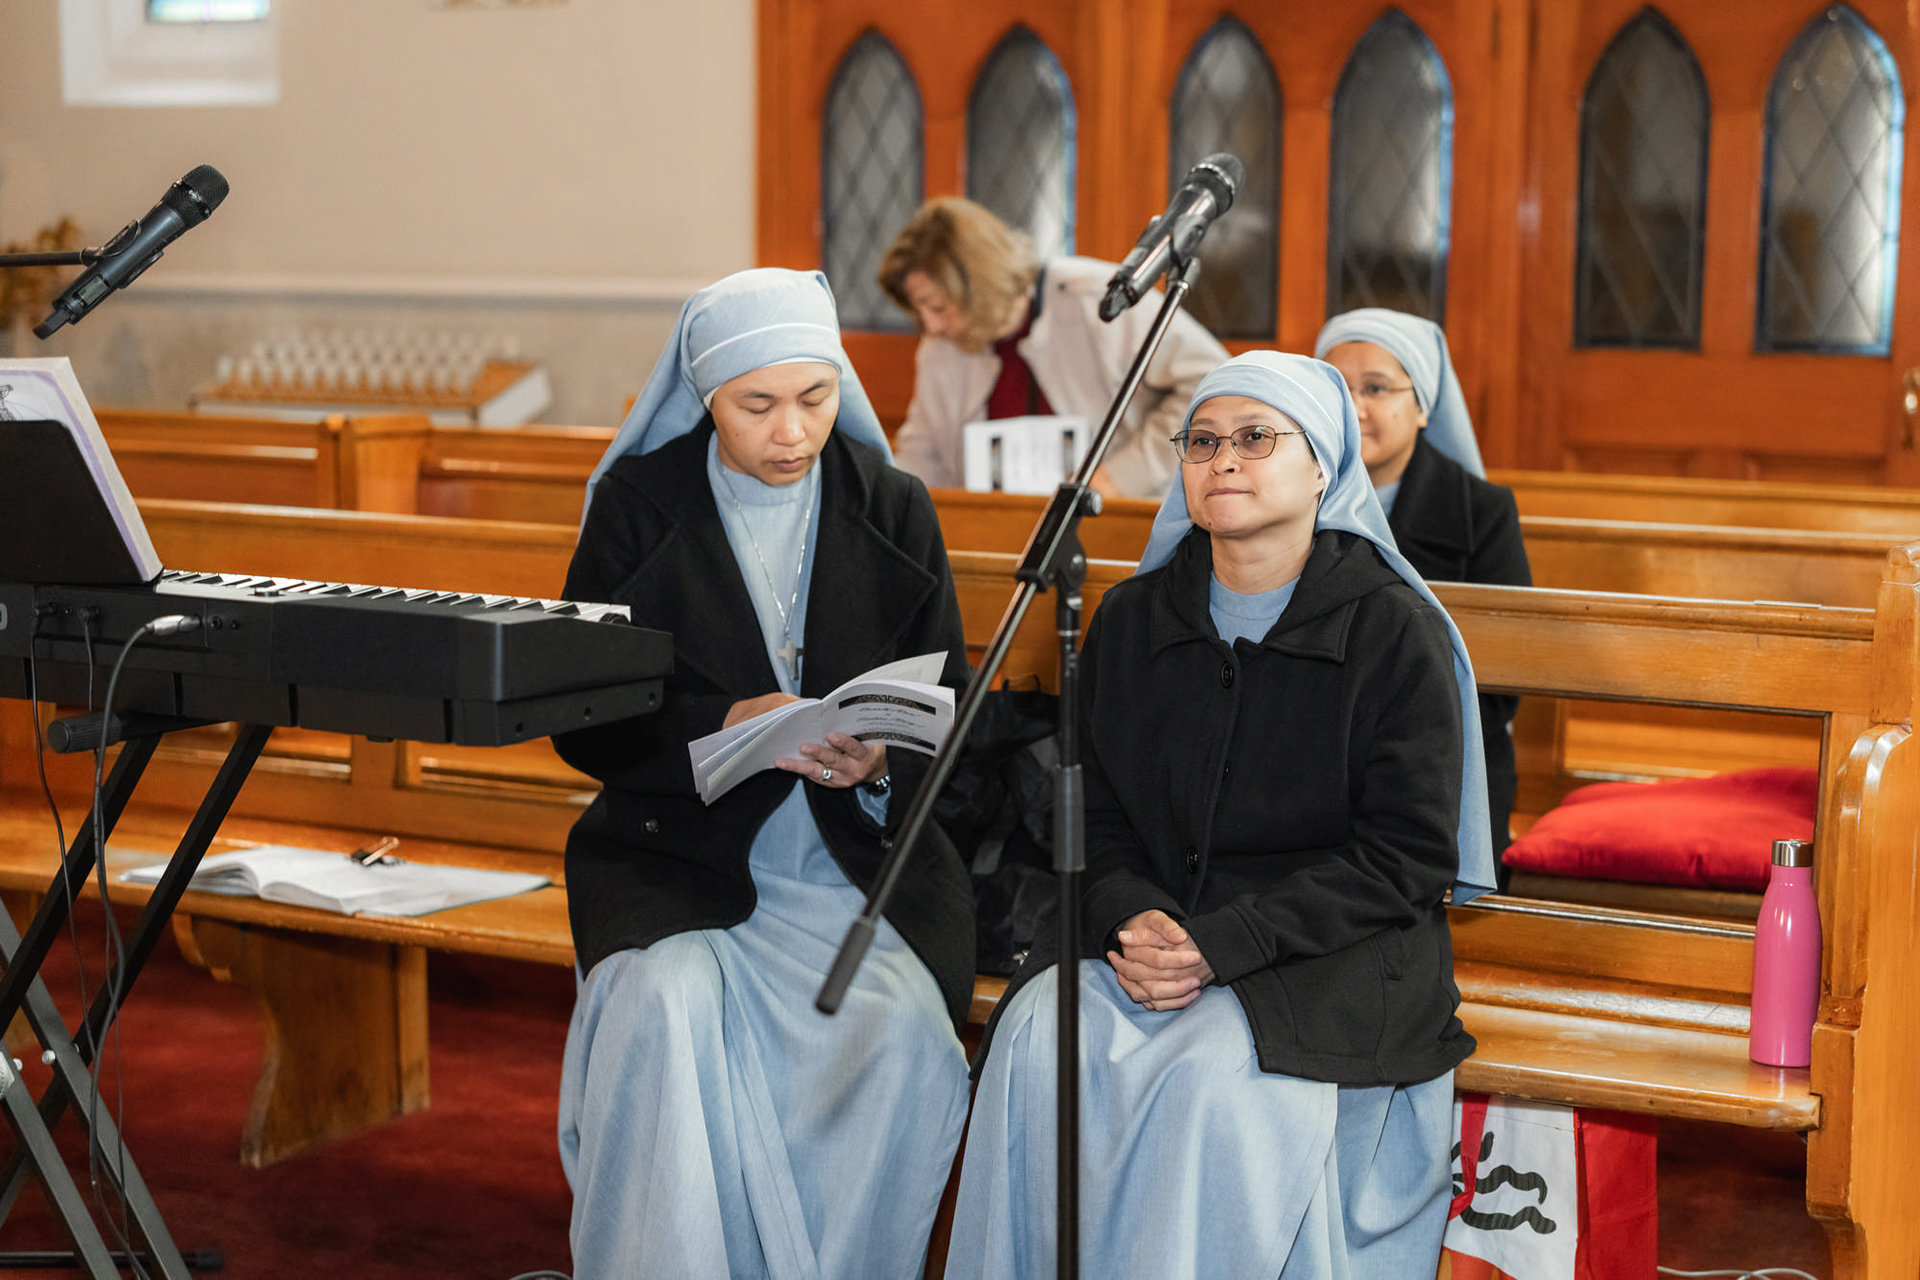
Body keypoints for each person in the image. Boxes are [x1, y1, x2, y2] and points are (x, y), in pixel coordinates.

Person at [944, 350, 1498, 1279]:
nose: (1223, 460)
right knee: (1040, 1032)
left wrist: (1224, 943)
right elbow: (1092, 809)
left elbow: (1404, 857)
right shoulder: (1130, 619)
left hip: (1328, 948)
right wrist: (1127, 913)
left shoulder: (1391, 629)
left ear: (1322, 466)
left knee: (1207, 1075)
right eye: (1201, 442)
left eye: (1254, 438)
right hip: (1153, 932)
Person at [553, 268, 975, 1279]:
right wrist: (719, 725)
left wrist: (880, 759)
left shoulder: (893, 505)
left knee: (904, 1034)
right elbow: (580, 717)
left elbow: (953, 708)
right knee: (664, 1008)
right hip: (676, 860)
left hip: (858, 867)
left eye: (816, 398)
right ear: (706, 396)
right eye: (758, 405)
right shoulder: (637, 507)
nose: (792, 431)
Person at [1316, 307, 1531, 861]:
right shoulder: (1289, 495)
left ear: (1421, 407)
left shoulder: (1481, 512)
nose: (1354, 408)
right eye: (1338, 387)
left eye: (1376, 388)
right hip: (1306, 757)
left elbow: (1500, 680)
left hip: (1444, 763)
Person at [877, 196, 1230, 501]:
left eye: (938, 307)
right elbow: (922, 455)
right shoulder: (939, 346)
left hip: (1115, 522)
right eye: (919, 311)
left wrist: (1123, 477)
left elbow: (1215, 381)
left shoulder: (1096, 299)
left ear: (982, 284)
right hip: (994, 528)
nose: (931, 326)